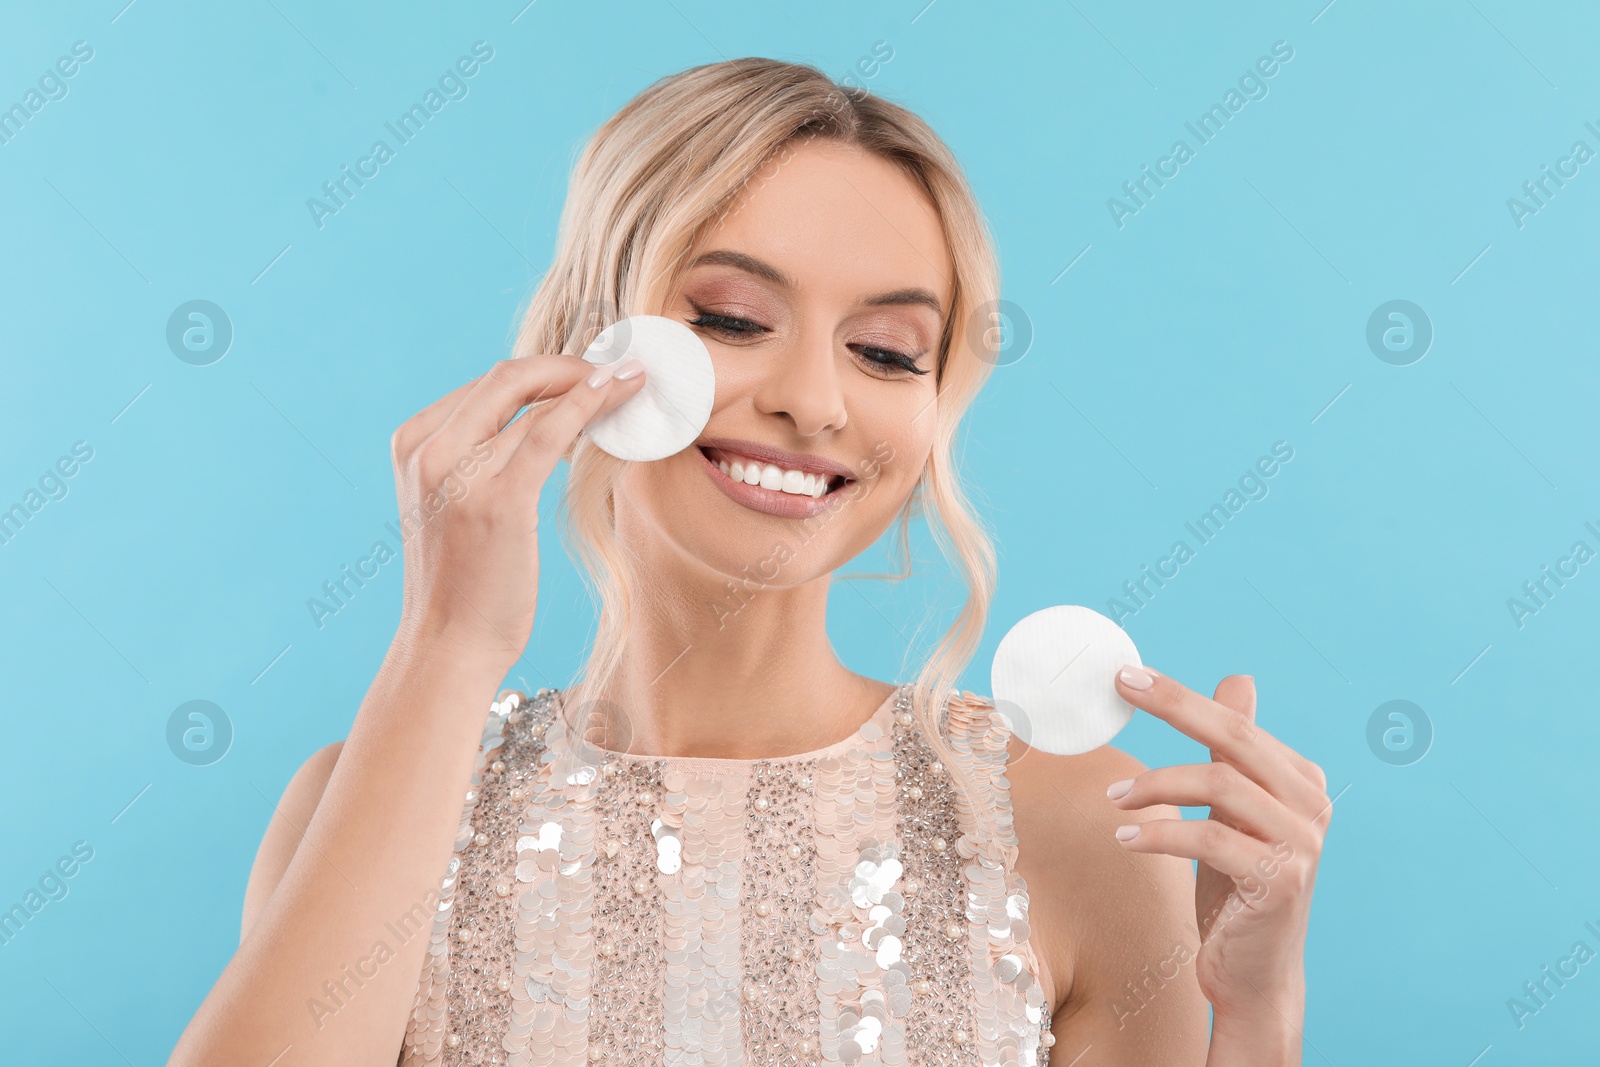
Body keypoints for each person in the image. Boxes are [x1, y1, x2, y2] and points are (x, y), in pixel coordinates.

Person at [171, 57, 1330, 1066]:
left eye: (885, 350)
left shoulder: (1085, 826)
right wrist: (447, 645)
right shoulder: (362, 799)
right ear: (591, 341)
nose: (815, 401)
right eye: (731, 319)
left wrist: (1260, 1014)